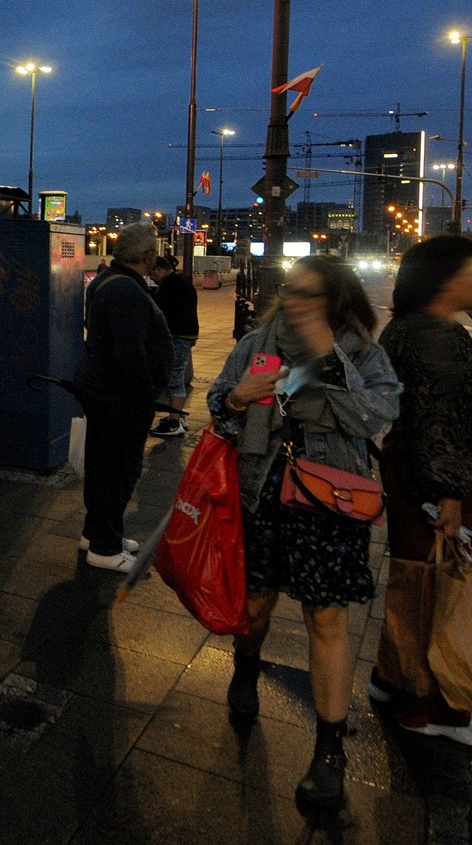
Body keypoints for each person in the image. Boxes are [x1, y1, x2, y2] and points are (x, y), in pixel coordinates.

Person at [206, 255, 401, 808]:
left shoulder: (363, 352)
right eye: (291, 291)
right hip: (262, 490)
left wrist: (329, 359)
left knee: (328, 618)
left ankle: (329, 751)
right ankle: (246, 668)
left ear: (337, 300)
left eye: (310, 294)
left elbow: (375, 418)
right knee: (258, 601)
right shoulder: (257, 342)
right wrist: (238, 398)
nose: (295, 303)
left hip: (329, 499)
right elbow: (219, 402)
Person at [374, 236, 472, 745]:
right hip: (434, 483)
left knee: (413, 580)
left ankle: (394, 679)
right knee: (439, 588)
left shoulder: (403, 328)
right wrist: (451, 496)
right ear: (446, 279)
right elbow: (442, 422)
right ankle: (430, 705)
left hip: (405, 469)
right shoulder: (440, 336)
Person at [73, 222, 173, 572]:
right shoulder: (127, 292)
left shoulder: (103, 281)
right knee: (118, 471)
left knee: (102, 467)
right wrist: (147, 394)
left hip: (102, 391)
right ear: (146, 257)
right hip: (121, 398)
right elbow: (131, 355)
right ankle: (104, 546)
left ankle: (98, 533)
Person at [149, 254, 200, 438]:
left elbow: (161, 310)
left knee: (174, 376)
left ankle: (174, 421)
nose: (152, 278)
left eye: (153, 274)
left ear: (159, 269)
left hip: (178, 335)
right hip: (186, 333)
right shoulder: (180, 281)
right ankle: (179, 416)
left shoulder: (171, 284)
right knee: (175, 376)